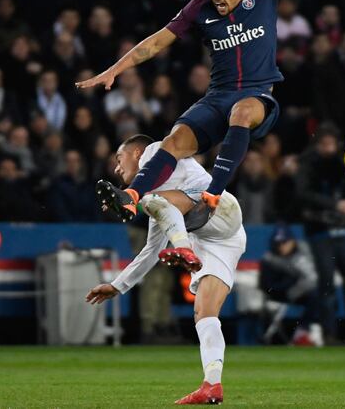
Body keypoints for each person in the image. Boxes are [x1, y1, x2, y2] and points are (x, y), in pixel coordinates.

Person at [76, 0, 345, 229]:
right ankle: (131, 198)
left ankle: (211, 197)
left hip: (256, 97)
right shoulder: (198, 8)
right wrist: (115, 69)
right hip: (216, 96)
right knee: (173, 140)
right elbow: (156, 42)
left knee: (241, 111)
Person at [86, 134, 246, 405]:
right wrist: (117, 286)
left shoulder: (154, 151)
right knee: (204, 315)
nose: (116, 167)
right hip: (222, 240)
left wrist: (128, 197)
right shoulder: (160, 202)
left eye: (119, 158)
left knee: (148, 201)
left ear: (137, 153)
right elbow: (149, 252)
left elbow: (174, 147)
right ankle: (212, 384)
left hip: (218, 206)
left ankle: (182, 248)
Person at [296, 123, 345, 343]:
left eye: (331, 144)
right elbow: (302, 193)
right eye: (324, 145)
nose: (328, 149)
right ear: (318, 145)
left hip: (342, 229)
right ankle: (329, 333)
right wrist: (334, 204)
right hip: (319, 230)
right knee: (327, 282)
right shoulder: (308, 164)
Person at [260, 226, 321, 346]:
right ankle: (300, 334)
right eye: (278, 243)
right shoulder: (269, 259)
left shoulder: (303, 251)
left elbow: (313, 277)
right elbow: (266, 285)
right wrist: (288, 285)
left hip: (301, 293)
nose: (281, 246)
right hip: (278, 295)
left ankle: (306, 332)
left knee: (320, 296)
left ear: (292, 241)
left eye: (284, 242)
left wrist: (294, 287)